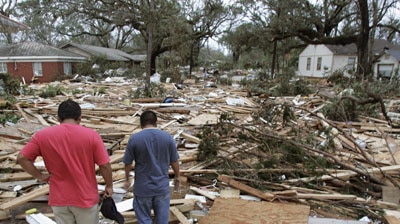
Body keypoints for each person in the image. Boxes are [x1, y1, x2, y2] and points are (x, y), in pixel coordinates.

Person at [17, 99, 113, 224]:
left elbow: (22, 158)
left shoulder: (42, 136)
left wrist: (39, 176)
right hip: (85, 198)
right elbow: (104, 165)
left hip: (60, 198)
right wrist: (109, 185)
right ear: (80, 118)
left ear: (58, 118)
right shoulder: (91, 135)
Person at [123, 110, 180, 224]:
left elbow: (127, 163)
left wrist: (127, 178)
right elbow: (174, 161)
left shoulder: (135, 139)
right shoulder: (167, 138)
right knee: (162, 220)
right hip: (161, 187)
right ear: (156, 123)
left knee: (144, 219)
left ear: (141, 123)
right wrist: (177, 176)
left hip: (143, 188)